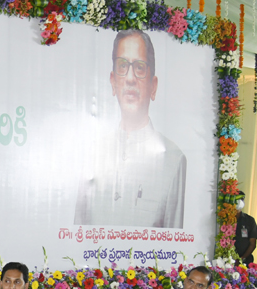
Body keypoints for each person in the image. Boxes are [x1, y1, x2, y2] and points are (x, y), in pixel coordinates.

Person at [74, 29, 187, 229]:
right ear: (113, 82)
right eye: (123, 66)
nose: (130, 78)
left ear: (153, 86)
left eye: (140, 67)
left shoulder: (173, 159)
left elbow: (173, 242)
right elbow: (78, 233)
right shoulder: (92, 152)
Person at [234, 192, 257, 265]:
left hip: (245, 261)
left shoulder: (249, 220)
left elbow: (252, 243)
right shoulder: (225, 219)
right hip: (227, 260)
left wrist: (242, 259)